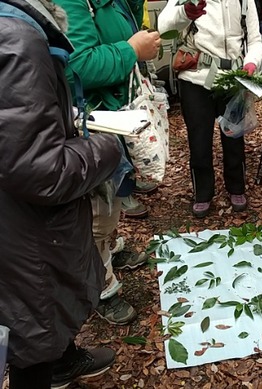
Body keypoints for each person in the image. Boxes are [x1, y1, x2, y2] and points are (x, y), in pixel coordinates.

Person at [0, 0, 123, 387]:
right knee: (32, 328)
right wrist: (109, 147)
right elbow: (41, 170)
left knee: (38, 317)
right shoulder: (17, 38)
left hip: (17, 219)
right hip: (24, 227)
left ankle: (63, 360)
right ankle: (49, 369)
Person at [53, 0, 161, 324]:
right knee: (98, 211)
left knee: (114, 195)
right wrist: (130, 51)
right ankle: (102, 287)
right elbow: (77, 65)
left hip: (114, 116)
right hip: (92, 124)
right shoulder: (70, 2)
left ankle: (109, 250)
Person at [157, 0, 262, 218]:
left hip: (232, 78)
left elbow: (254, 40)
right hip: (195, 78)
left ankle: (236, 187)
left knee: (234, 137)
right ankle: (203, 193)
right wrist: (184, 13)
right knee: (199, 139)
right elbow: (164, 26)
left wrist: (252, 62)